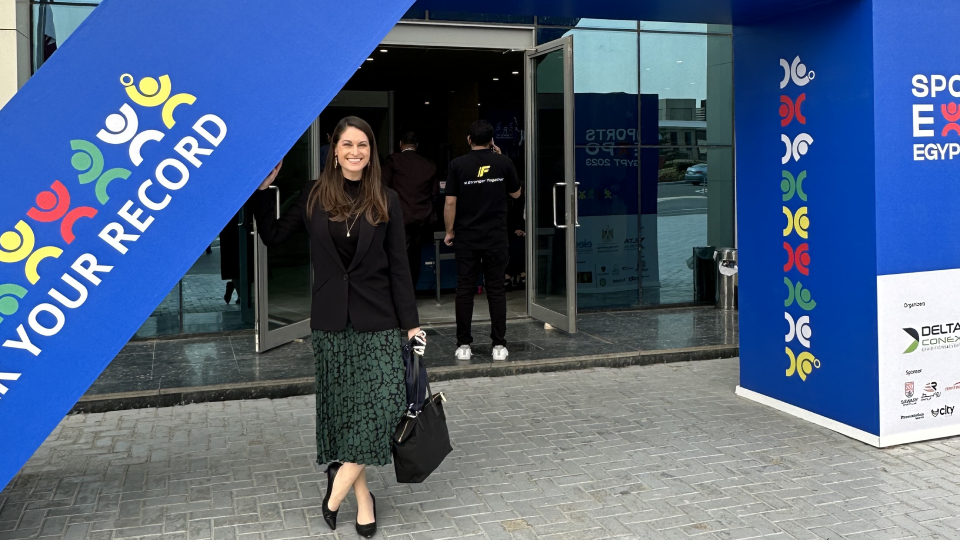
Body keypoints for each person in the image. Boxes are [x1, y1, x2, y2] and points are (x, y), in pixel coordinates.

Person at [253, 116, 423, 539]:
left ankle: (335, 491)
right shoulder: (314, 194)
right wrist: (261, 192)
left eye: (362, 145)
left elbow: (399, 268)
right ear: (334, 149)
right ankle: (363, 499)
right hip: (332, 325)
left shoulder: (386, 199)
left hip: (379, 322)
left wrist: (411, 325)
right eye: (347, 144)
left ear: (371, 151)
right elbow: (273, 236)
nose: (355, 152)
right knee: (348, 416)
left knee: (383, 411)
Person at [443, 120, 521, 361]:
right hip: (496, 237)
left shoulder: (457, 165)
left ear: (469, 139)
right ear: (491, 141)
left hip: (467, 237)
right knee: (496, 289)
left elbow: (450, 202)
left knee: (465, 290)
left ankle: (464, 345)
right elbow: (516, 193)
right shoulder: (504, 162)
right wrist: (498, 156)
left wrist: (449, 231)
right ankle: (499, 345)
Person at [382, 131, 439, 290]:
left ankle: (400, 292)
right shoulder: (429, 164)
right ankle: (411, 290)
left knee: (398, 255)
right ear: (417, 145)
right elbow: (434, 193)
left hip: (399, 216)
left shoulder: (393, 160)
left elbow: (383, 187)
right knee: (415, 255)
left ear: (401, 144)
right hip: (422, 217)